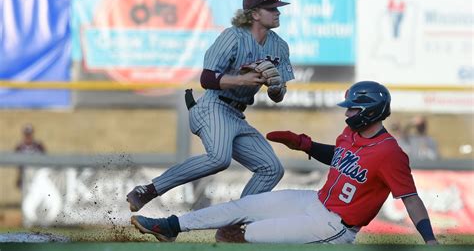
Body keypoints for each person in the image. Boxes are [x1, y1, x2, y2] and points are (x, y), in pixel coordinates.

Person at [129, 81, 438, 245]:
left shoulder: (390, 153)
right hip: (314, 202)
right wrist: (305, 144)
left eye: (353, 109)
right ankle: (170, 226)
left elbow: (410, 200)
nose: (347, 114)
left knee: (239, 235)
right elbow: (342, 158)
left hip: (335, 227)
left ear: (371, 111)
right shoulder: (351, 134)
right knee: (241, 209)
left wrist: (430, 240)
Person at [126, 0, 294, 241]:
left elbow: (278, 97)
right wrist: (242, 81)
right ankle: (149, 189)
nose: (277, 12)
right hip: (212, 105)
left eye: (278, 8)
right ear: (254, 14)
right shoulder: (233, 36)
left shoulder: (280, 47)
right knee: (219, 158)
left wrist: (276, 87)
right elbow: (206, 78)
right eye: (271, 8)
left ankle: (231, 227)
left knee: (272, 168)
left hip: (237, 115)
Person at [14, 124, 46, 188]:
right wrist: (19, 177)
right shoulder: (19, 147)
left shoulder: (39, 146)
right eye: (26, 134)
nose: (28, 136)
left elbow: (46, 160)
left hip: (38, 175)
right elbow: (18, 165)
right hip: (24, 176)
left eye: (29, 134)